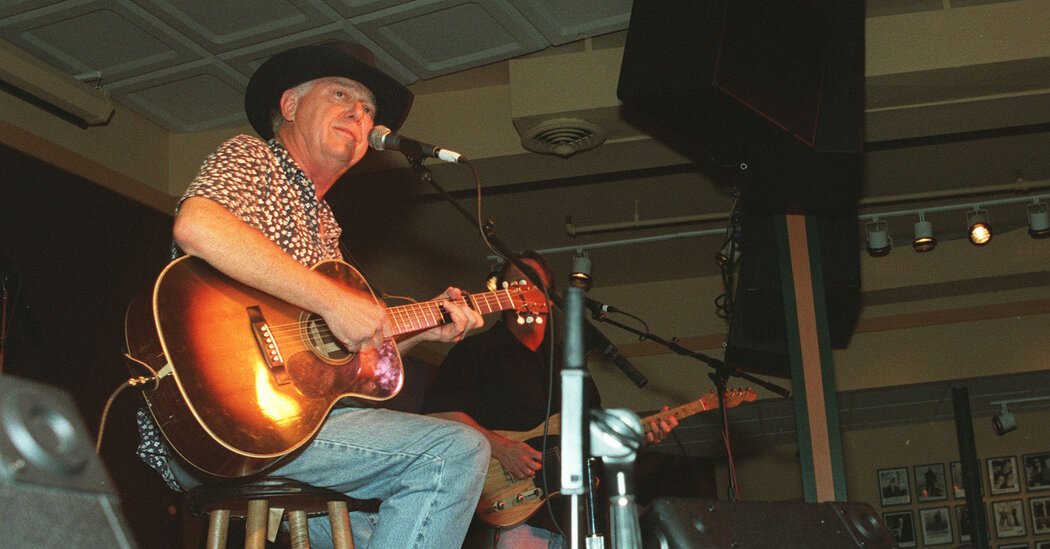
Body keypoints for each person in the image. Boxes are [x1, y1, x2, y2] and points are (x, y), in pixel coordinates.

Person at [134, 41, 491, 548]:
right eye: (341, 93)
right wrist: (332, 300)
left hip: (288, 428)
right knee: (455, 451)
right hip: (218, 425)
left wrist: (422, 328)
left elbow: (346, 369)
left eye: (368, 110)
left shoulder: (326, 228)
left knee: (387, 533)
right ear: (290, 105)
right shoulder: (253, 156)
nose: (359, 113)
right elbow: (198, 225)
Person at [422, 251, 677, 548]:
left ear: (548, 296)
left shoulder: (568, 363)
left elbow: (592, 440)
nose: (521, 289)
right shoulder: (476, 351)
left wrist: (642, 436)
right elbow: (437, 416)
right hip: (515, 512)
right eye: (513, 283)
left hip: (579, 516)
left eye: (530, 282)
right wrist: (501, 448)